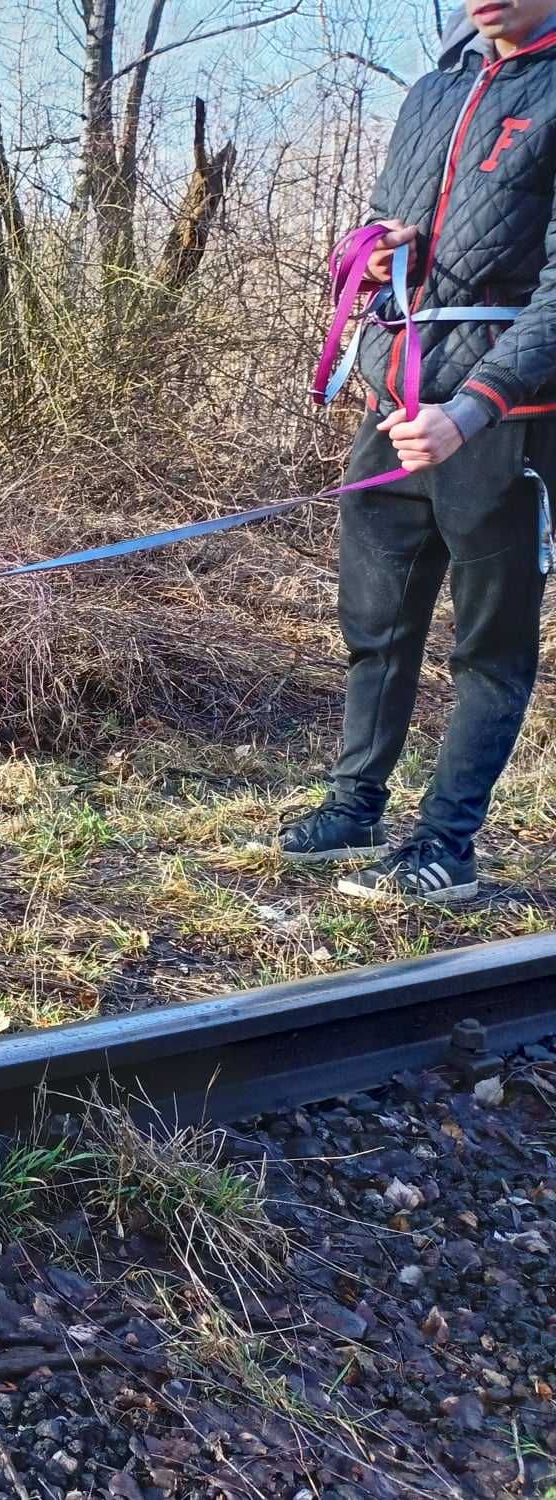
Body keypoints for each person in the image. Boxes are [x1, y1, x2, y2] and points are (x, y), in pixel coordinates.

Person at [274, 0, 556, 903]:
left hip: (506, 413)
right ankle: (356, 806)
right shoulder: (433, 90)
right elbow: (396, 222)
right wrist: (379, 247)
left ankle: (446, 846)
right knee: (377, 622)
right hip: (396, 396)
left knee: (490, 644)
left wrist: (474, 409)